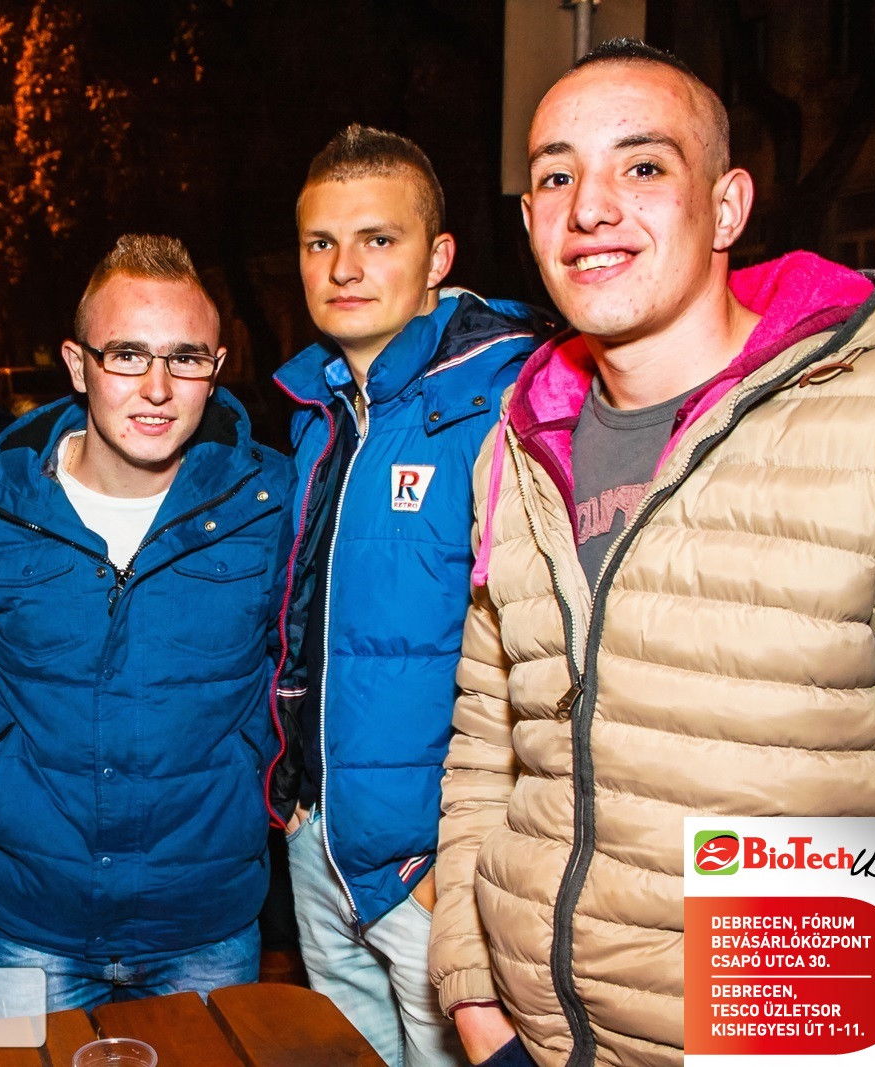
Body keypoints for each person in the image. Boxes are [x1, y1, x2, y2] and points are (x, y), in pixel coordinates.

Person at [429, 38, 875, 1067]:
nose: (590, 206)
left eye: (643, 165)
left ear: (728, 206)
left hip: (793, 1028)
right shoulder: (517, 444)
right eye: (556, 176)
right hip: (538, 1037)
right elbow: (487, 741)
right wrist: (477, 1002)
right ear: (527, 221)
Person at [271, 125, 551, 1066]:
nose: (344, 267)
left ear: (438, 258)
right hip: (323, 851)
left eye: (378, 239)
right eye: (321, 242)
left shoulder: (506, 399)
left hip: (433, 876)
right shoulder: (318, 414)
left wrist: (459, 871)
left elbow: (539, 658)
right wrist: (301, 812)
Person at [0, 234, 294, 1010]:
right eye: (127, 355)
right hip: (31, 923)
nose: (157, 388)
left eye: (185, 358)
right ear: (78, 365)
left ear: (216, 368)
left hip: (206, 926)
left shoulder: (268, 503)